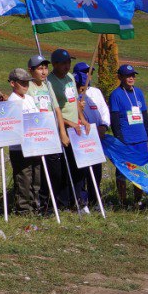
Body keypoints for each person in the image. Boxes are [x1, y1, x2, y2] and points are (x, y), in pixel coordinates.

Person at [46, 49, 92, 212]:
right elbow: (54, 109)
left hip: (76, 128)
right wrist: (67, 123)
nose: (67, 66)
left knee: (79, 165)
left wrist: (82, 119)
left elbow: (75, 102)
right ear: (55, 64)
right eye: (63, 63)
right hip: (62, 128)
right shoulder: (49, 81)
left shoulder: (71, 77)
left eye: (68, 63)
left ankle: (79, 199)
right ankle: (63, 202)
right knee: (64, 168)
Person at [27, 54, 71, 214]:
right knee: (39, 171)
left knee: (56, 171)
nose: (44, 72)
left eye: (45, 68)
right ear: (31, 71)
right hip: (37, 134)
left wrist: (62, 132)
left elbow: (57, 109)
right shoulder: (28, 87)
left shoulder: (48, 85)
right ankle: (41, 204)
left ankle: (53, 202)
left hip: (51, 134)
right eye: (40, 68)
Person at [108, 64, 148, 208]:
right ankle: (123, 201)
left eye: (133, 75)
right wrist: (119, 140)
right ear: (120, 77)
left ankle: (138, 200)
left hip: (141, 138)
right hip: (126, 139)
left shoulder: (139, 93)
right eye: (127, 75)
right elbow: (114, 120)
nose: (131, 78)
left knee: (140, 170)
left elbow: (144, 116)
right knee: (123, 170)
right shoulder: (116, 95)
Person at [6, 67, 43, 214]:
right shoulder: (12, 101)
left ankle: (35, 204)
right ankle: (23, 208)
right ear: (13, 84)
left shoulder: (29, 99)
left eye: (27, 83)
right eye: (22, 83)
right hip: (19, 148)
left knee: (36, 176)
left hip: (34, 144)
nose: (26, 86)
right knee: (24, 178)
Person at [74, 62, 108, 199]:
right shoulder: (74, 92)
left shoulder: (96, 92)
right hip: (80, 135)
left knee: (96, 169)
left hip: (96, 135)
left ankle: (95, 197)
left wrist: (104, 126)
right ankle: (81, 198)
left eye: (90, 72)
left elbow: (104, 110)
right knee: (81, 170)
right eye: (85, 72)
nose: (88, 75)